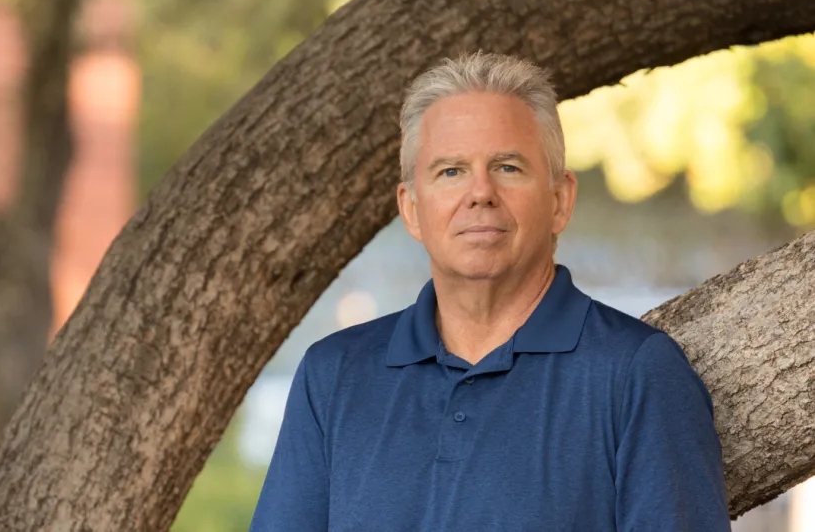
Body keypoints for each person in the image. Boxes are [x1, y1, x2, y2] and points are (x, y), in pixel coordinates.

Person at [248, 52, 730, 531]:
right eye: (451, 171)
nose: (480, 192)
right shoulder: (333, 377)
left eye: (507, 167)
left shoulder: (636, 375)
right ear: (411, 208)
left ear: (559, 200)